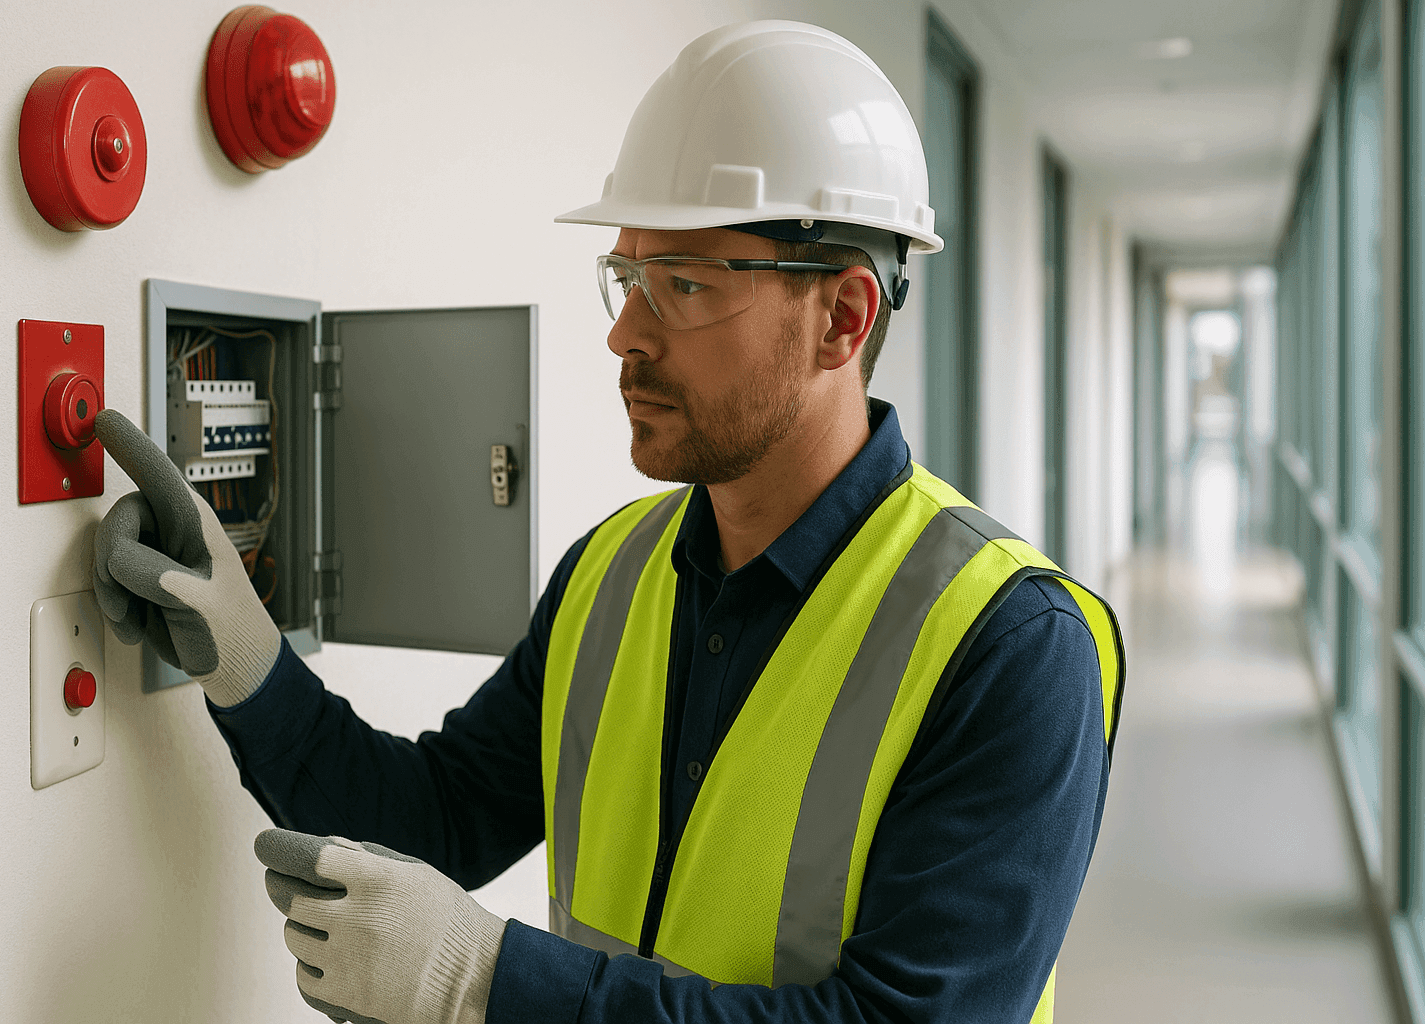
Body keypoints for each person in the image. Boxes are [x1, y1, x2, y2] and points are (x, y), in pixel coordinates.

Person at [91, 20, 1122, 1024]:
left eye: (682, 283)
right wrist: (248, 664)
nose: (625, 333)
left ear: (843, 317)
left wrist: (487, 983)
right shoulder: (613, 575)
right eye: (627, 276)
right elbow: (434, 819)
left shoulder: (1011, 647)